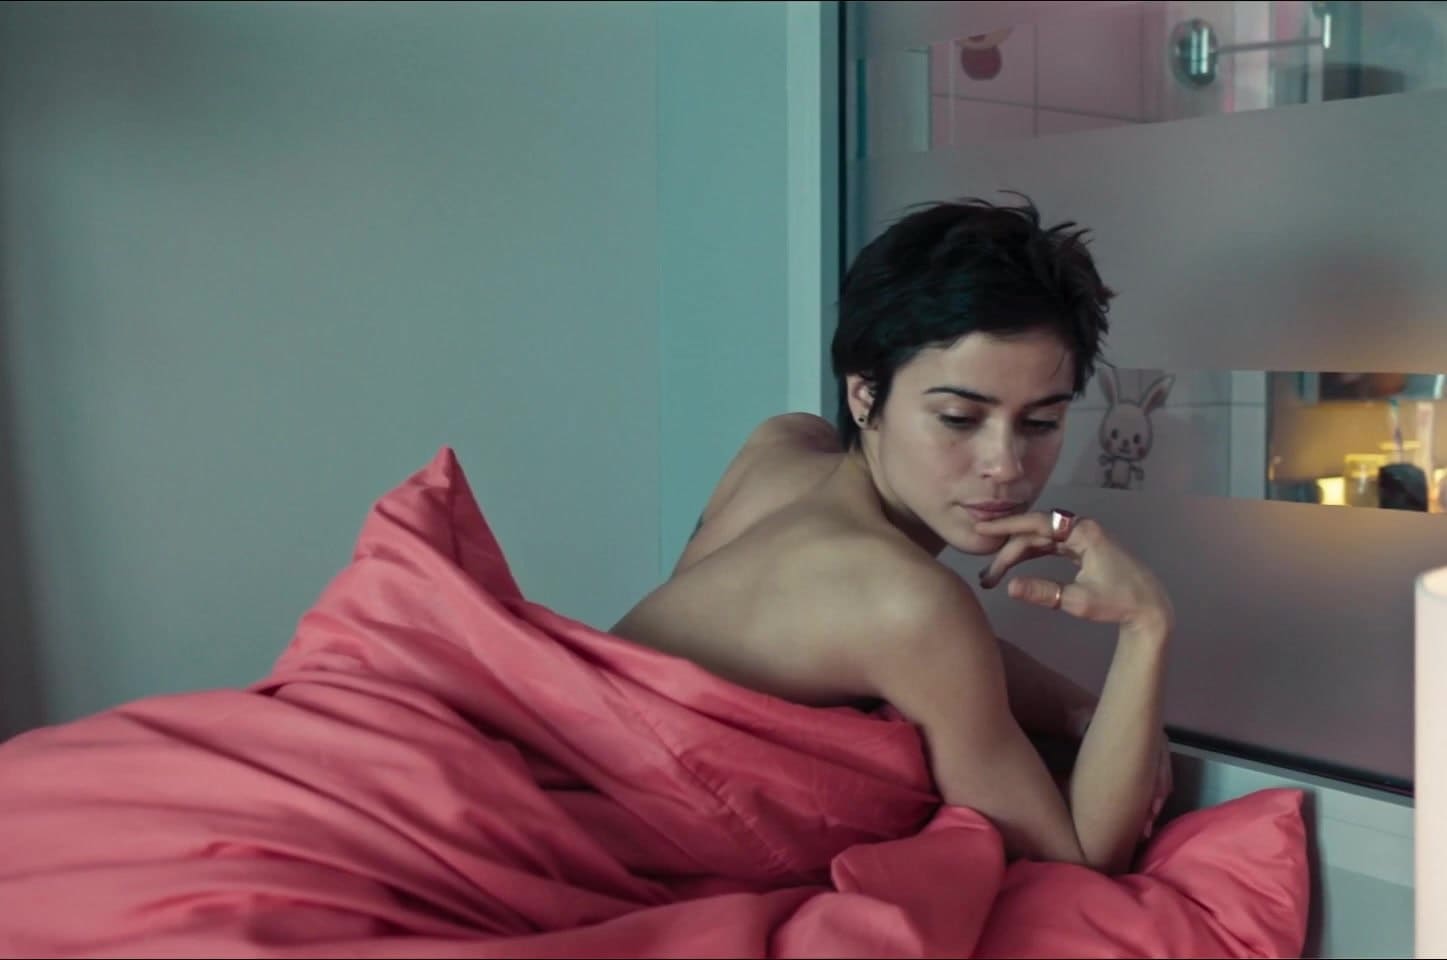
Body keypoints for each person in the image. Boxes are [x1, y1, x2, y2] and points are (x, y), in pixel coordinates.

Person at [611, 195, 1173, 876]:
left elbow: (880, 640)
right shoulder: (905, 601)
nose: (1005, 464)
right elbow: (1078, 857)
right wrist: (1144, 624)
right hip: (592, 839)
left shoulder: (783, 446)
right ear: (864, 395)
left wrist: (1077, 709)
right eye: (959, 418)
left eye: (1040, 423)